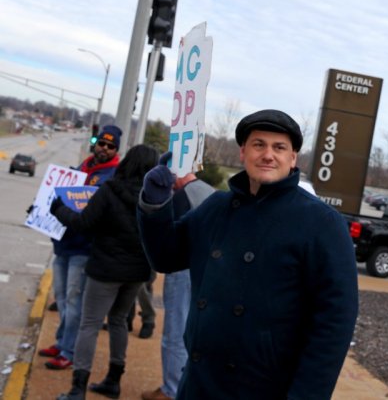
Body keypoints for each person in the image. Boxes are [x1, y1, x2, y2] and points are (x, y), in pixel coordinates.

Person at [137, 109, 359, 399]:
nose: (268, 155)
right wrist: (154, 204)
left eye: (279, 147)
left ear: (293, 158)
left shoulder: (322, 223)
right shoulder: (216, 207)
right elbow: (166, 257)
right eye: (259, 144)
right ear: (243, 152)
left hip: (265, 390)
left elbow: (335, 322)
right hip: (198, 384)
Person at [50, 144, 160, 400]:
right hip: (137, 271)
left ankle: (78, 388)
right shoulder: (154, 198)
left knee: (89, 324)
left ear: (127, 162)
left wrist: (59, 210)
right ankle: (113, 380)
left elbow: (82, 223)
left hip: (105, 269)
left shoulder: (109, 190)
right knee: (119, 321)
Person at [38, 124, 122, 371]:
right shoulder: (82, 167)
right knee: (62, 298)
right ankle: (62, 341)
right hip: (63, 243)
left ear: (116, 149)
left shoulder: (112, 176)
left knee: (75, 302)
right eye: (102, 143)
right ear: (95, 143)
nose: (104, 149)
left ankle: (69, 351)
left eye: (110, 146)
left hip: (84, 248)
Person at [141, 173, 214, 400]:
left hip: (184, 268)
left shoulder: (187, 195)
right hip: (201, 268)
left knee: (175, 330)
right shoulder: (207, 193)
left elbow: (167, 237)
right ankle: (178, 386)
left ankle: (171, 388)